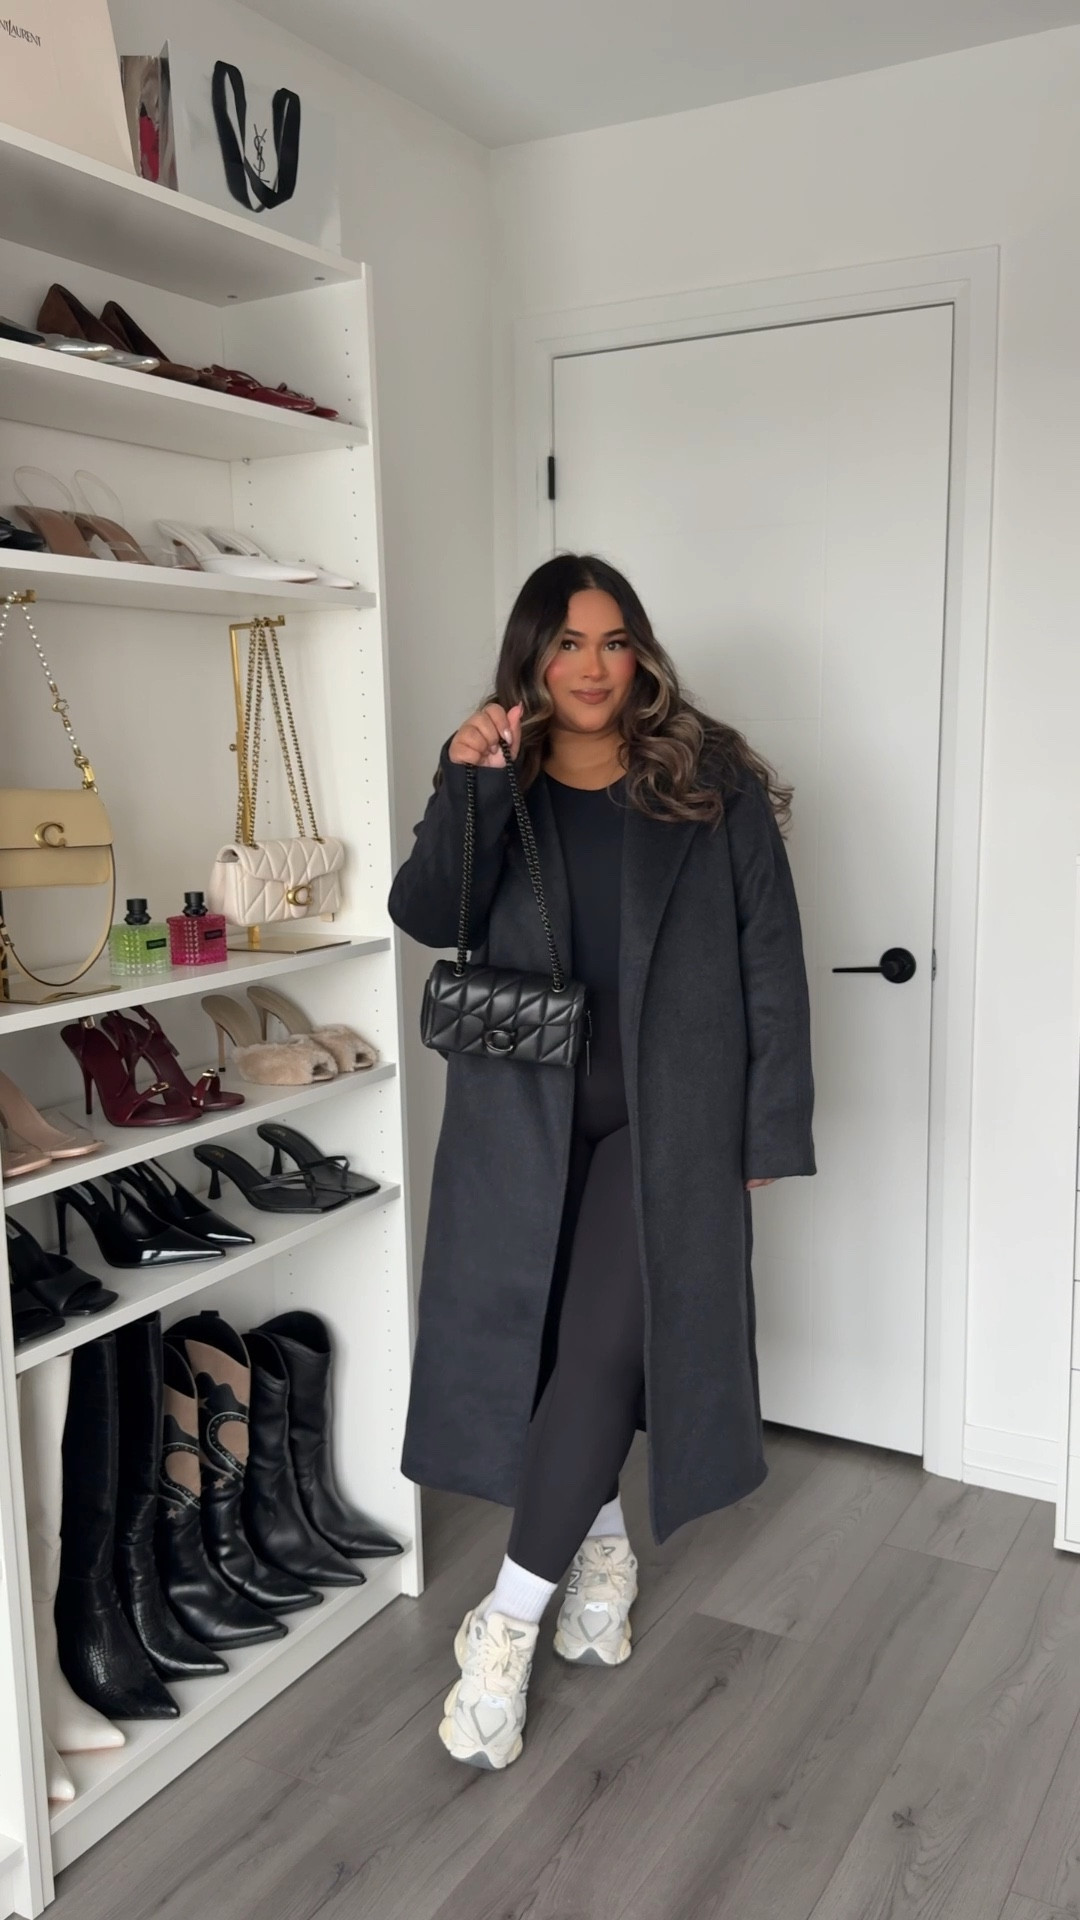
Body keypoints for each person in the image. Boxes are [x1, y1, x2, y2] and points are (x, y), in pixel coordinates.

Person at [389, 553, 815, 1770]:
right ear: (532, 659)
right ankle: (606, 1547)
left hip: (665, 1123)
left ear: (641, 654)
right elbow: (429, 913)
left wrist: (767, 1126)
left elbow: (770, 958)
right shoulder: (498, 776)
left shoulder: (709, 783)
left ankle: (504, 1624)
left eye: (614, 640)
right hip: (519, 1116)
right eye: (568, 643)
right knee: (544, 1349)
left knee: (601, 1351)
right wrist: (467, 785)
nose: (592, 666)